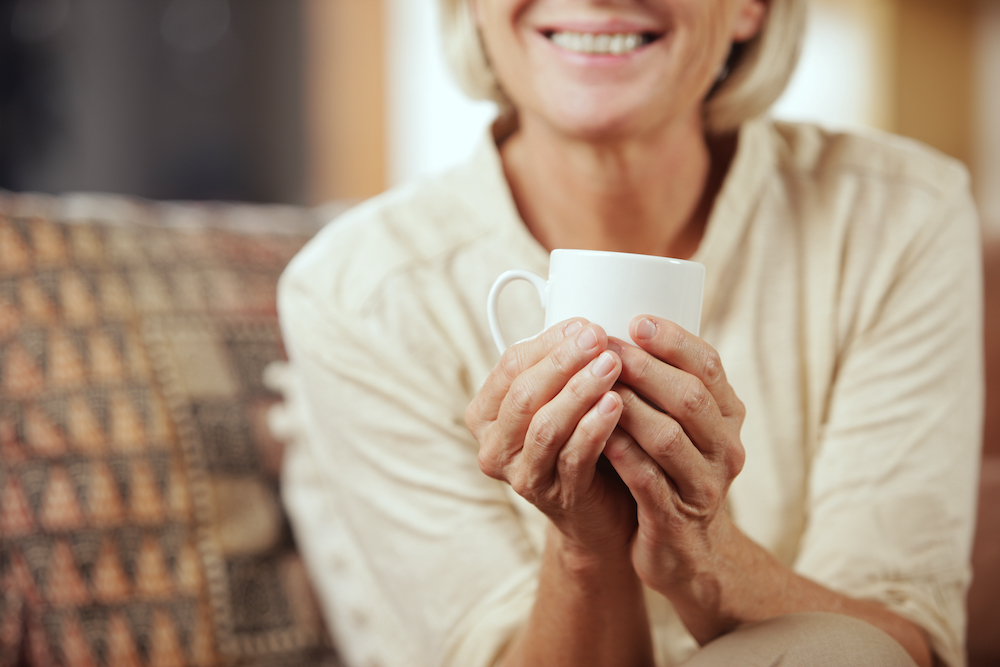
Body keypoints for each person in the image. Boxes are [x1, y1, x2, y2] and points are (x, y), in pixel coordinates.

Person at [275, 0, 983, 665]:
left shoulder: (900, 218)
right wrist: (587, 550)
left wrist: (705, 552)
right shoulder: (356, 292)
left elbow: (898, 641)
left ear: (751, 7)